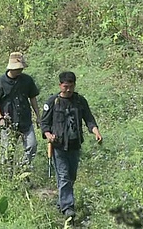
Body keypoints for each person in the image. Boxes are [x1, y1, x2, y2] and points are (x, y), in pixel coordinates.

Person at [41, 71, 103, 221]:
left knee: (71, 176)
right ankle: (68, 208)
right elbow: (44, 124)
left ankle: (61, 202)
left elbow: (89, 118)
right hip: (59, 146)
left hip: (75, 145)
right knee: (63, 176)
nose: (68, 90)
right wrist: (49, 136)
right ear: (60, 85)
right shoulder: (52, 102)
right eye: (65, 86)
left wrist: (96, 132)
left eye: (71, 86)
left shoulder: (80, 101)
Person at [0, 52, 41, 169]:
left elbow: (33, 98)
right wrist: (0, 117)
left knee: (32, 146)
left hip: (25, 121)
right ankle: (8, 176)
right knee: (8, 152)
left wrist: (38, 116)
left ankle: (22, 169)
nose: (20, 71)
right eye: (17, 68)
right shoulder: (0, 82)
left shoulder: (27, 80)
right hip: (8, 123)